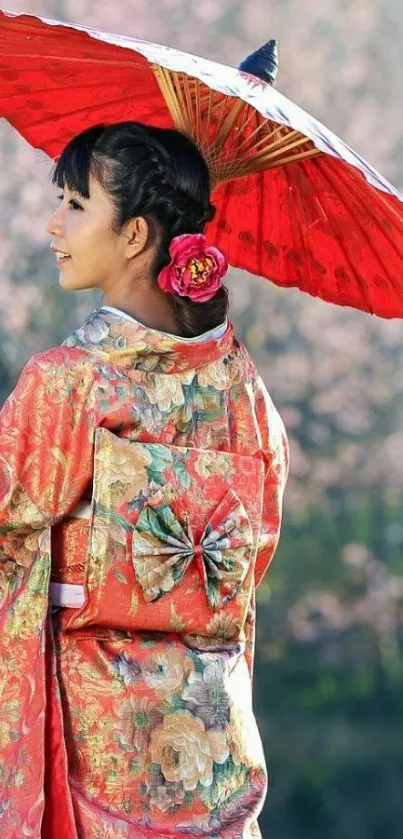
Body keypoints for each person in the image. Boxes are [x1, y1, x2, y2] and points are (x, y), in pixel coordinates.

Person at [0, 121, 289, 839]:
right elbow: (250, 551)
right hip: (211, 731)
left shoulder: (71, 381)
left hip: (99, 731)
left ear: (134, 234)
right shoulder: (239, 387)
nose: (53, 223)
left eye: (74, 203)